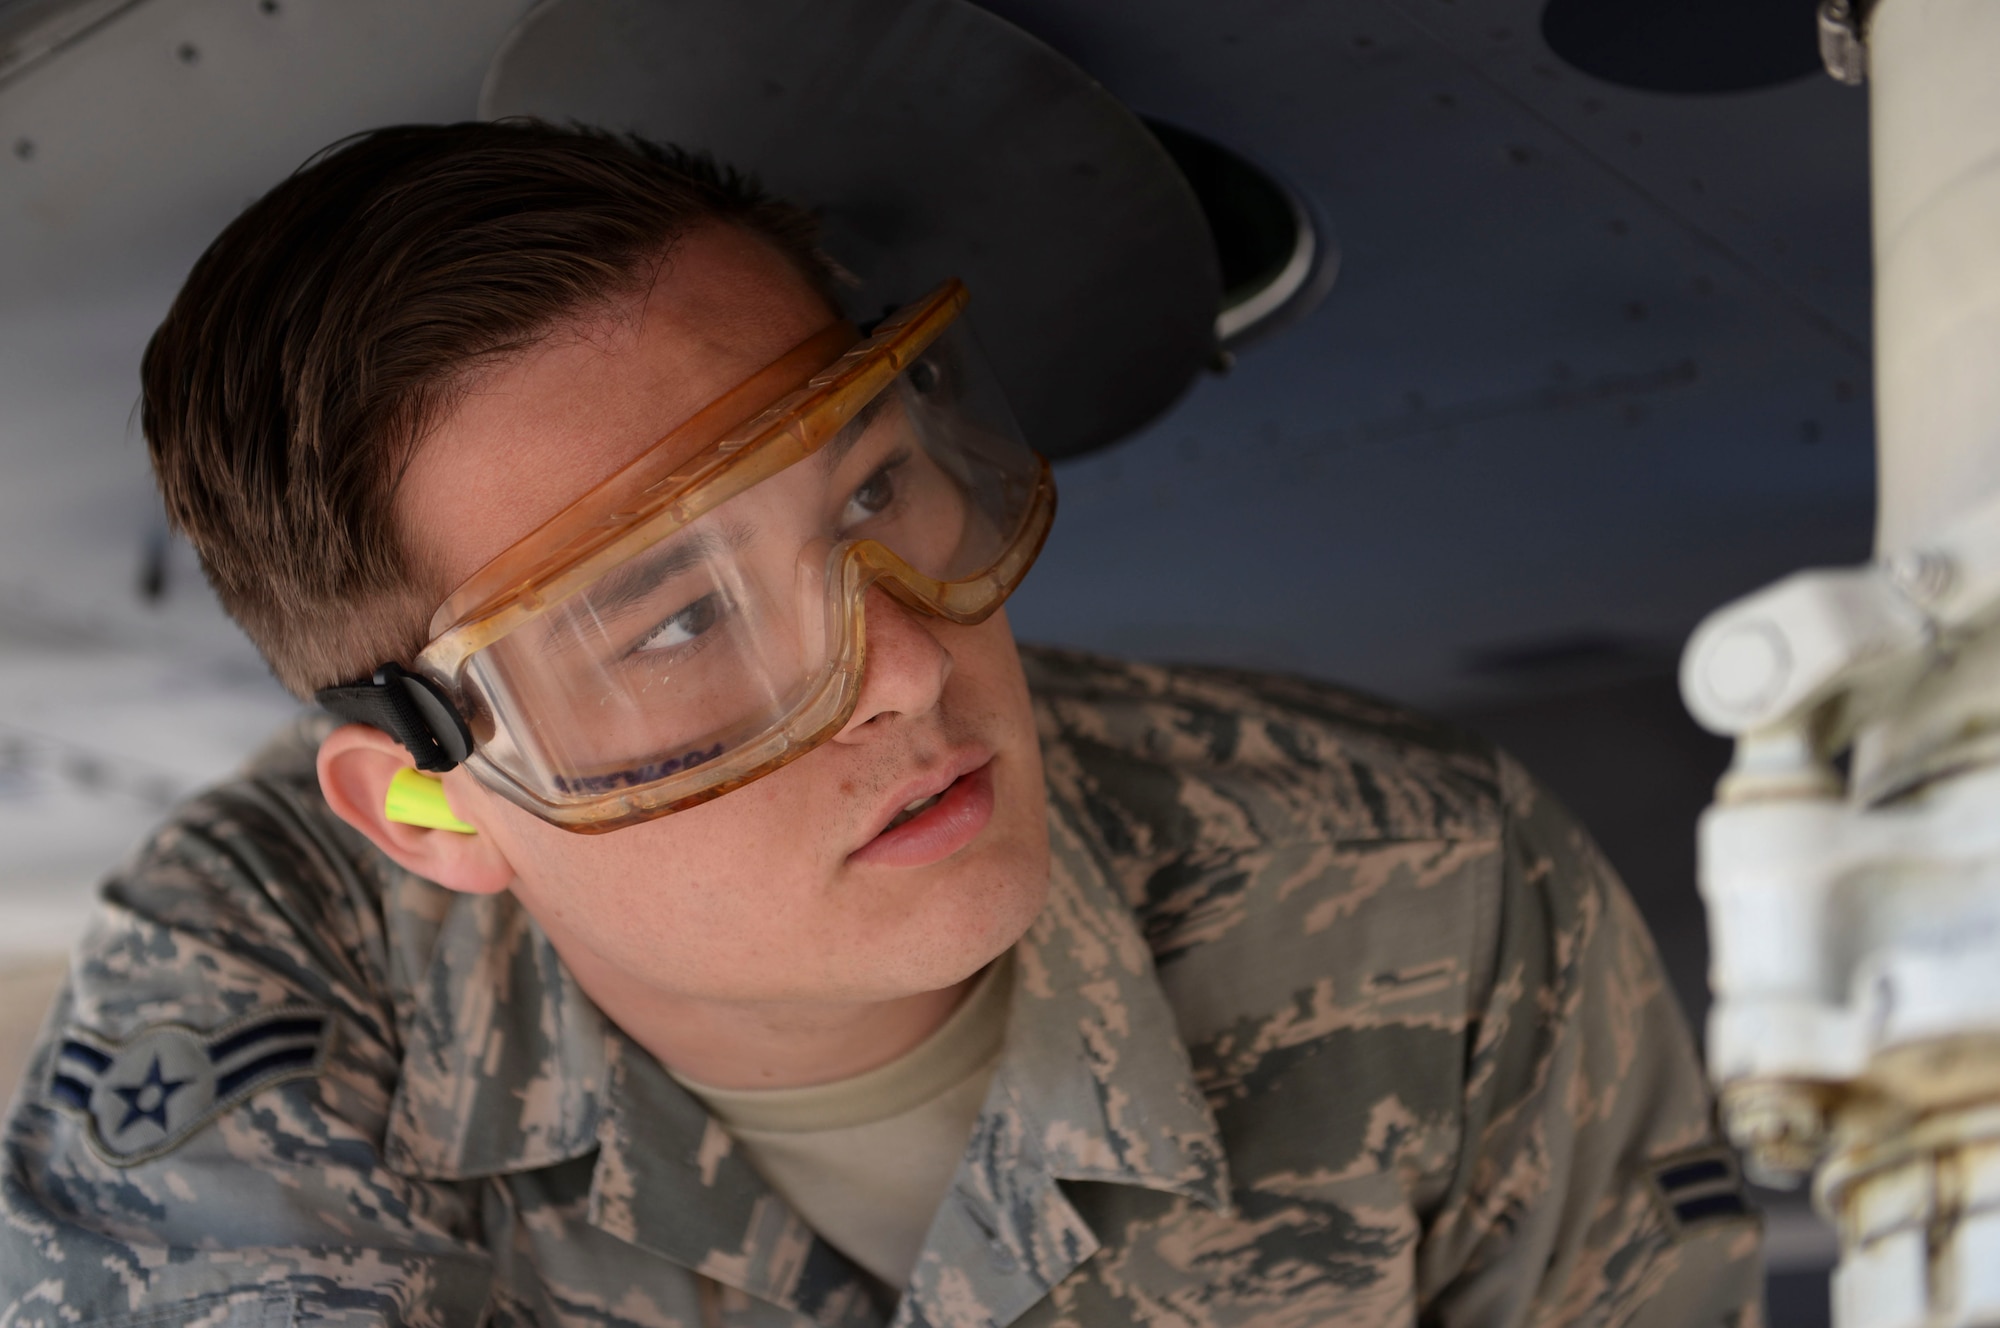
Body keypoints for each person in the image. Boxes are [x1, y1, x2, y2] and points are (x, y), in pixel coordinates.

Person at [0, 121, 1761, 1327]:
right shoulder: (272, 970)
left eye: (869, 506)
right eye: (678, 623)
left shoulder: (1426, 890)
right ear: (429, 813)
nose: (906, 670)